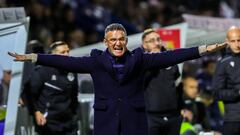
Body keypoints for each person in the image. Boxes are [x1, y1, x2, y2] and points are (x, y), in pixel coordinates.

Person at [9, 23, 226, 135]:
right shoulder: (94, 61)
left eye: (121, 39)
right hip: (106, 124)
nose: (118, 43)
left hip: (135, 122)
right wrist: (32, 57)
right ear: (105, 41)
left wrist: (203, 49)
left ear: (126, 41)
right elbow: (63, 61)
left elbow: (172, 55)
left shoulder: (139, 59)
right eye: (113, 40)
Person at [24, 41, 79, 135]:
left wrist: (74, 115)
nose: (67, 54)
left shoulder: (72, 71)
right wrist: (36, 112)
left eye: (68, 51)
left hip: (68, 123)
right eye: (62, 52)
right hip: (48, 123)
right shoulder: (42, 71)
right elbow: (28, 93)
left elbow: (74, 96)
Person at [142, 28, 181, 135]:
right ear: (144, 45)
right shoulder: (140, 63)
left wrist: (183, 108)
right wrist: (152, 61)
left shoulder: (171, 60)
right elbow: (139, 83)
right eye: (152, 40)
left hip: (173, 116)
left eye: (158, 39)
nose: (156, 43)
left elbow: (178, 86)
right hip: (151, 117)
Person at [212, 26, 240, 135]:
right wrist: (237, 93)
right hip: (234, 119)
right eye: (233, 41)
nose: (237, 44)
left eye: (239, 40)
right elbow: (216, 93)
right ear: (227, 42)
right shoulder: (223, 63)